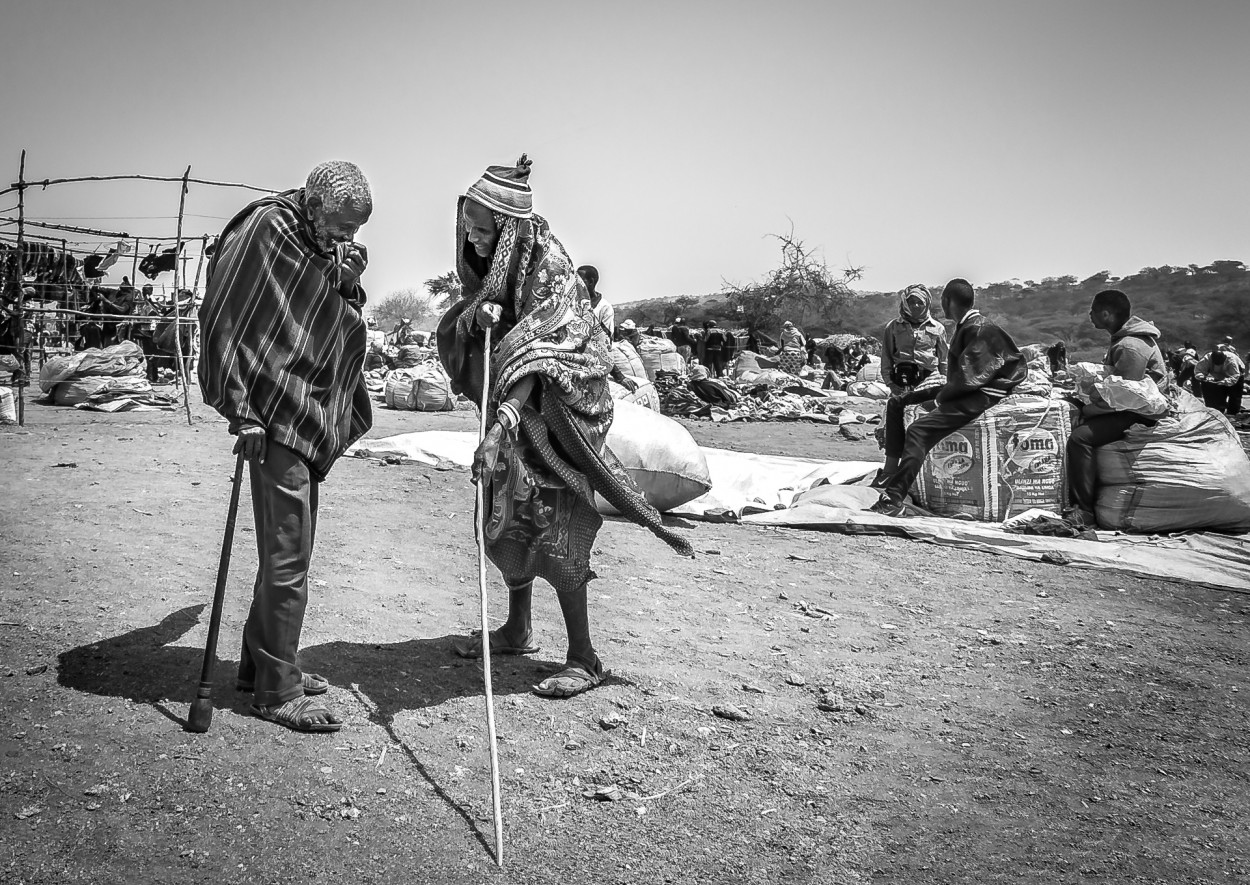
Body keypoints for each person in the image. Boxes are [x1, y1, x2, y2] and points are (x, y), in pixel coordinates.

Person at [437, 155, 692, 698]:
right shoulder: (498, 266)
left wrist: (503, 424)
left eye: (483, 231)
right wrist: (477, 319)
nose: (474, 240)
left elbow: (547, 353)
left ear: (508, 229)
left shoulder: (550, 267)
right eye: (469, 230)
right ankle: (517, 627)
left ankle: (584, 655)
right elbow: (487, 323)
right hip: (511, 410)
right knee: (508, 514)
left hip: (562, 412)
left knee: (556, 520)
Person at [198, 160, 373, 733]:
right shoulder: (268, 230)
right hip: (270, 413)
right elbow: (226, 314)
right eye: (340, 228)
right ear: (315, 204)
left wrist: (345, 279)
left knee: (286, 547)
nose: (344, 239)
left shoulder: (316, 242)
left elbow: (320, 313)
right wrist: (239, 407)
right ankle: (276, 690)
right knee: (289, 551)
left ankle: (261, 665)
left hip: (301, 405)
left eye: (353, 232)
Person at [870, 278, 1027, 516]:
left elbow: (970, 379)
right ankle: (890, 468)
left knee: (918, 430)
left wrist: (938, 400)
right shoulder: (965, 326)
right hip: (963, 385)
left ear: (947, 301)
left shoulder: (977, 328)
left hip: (980, 393)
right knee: (897, 402)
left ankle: (893, 498)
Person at [1064, 289, 1167, 527]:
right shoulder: (1123, 340)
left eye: (1093, 311)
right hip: (1127, 404)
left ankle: (1084, 510)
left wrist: (1089, 411)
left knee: (1080, 438)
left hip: (1139, 412)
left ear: (1106, 314)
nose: (1090, 315)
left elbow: (1125, 397)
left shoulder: (1130, 347)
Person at [879, 284, 949, 394]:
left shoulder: (938, 328)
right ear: (905, 304)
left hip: (931, 380)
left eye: (920, 302)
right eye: (911, 302)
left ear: (926, 304)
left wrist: (945, 380)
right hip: (903, 380)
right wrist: (890, 384)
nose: (916, 305)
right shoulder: (893, 327)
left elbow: (944, 360)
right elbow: (886, 357)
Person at [1195, 348, 1244, 414]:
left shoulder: (1231, 361)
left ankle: (1233, 413)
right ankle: (1219, 411)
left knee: (1235, 395)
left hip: (1236, 376)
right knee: (1219, 394)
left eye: (1220, 363)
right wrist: (1203, 377)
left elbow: (1234, 377)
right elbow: (1198, 371)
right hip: (1219, 376)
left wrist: (1224, 382)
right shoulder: (1207, 359)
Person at [576, 265, 615, 340]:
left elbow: (606, 337)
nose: (576, 285)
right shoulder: (573, 303)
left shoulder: (604, 307)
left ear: (591, 282)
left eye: (580, 281)